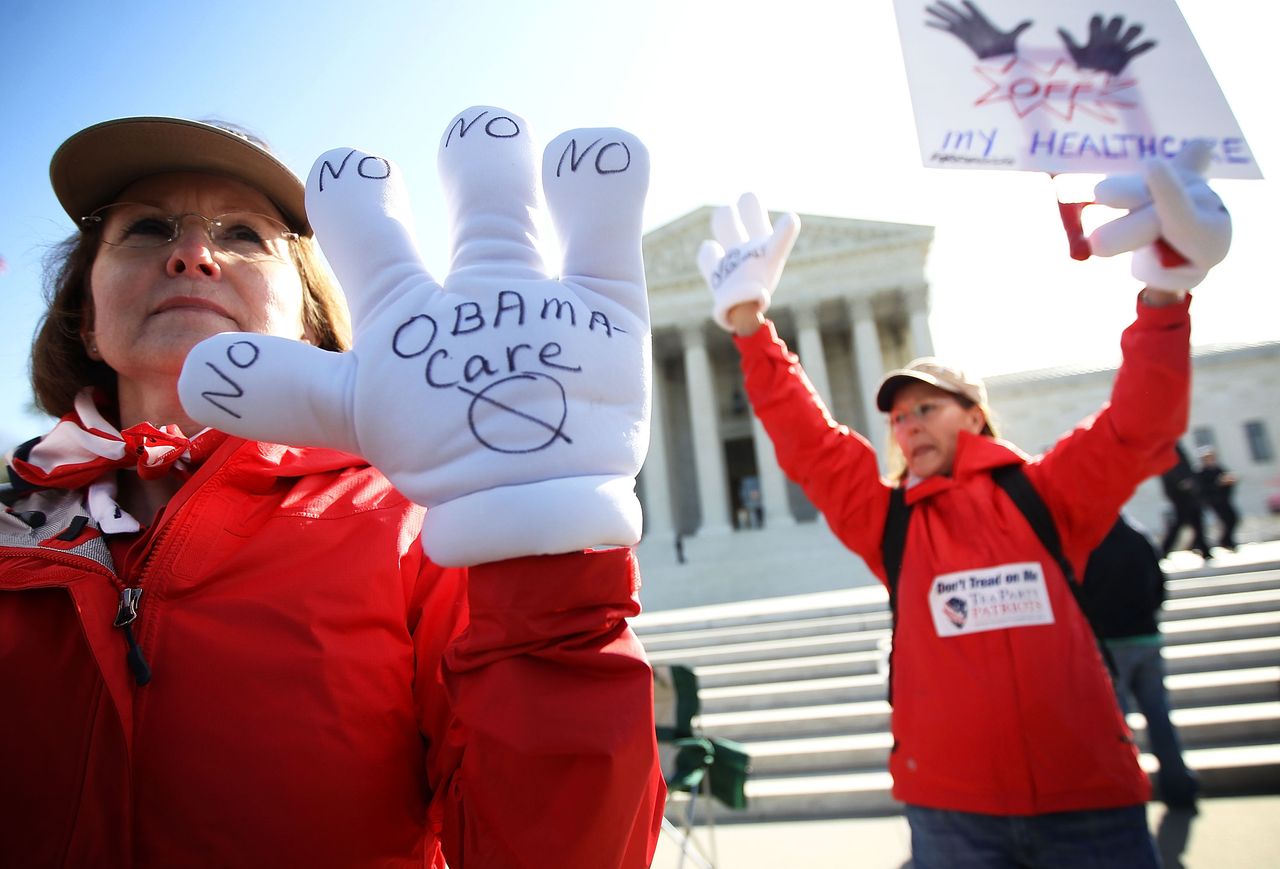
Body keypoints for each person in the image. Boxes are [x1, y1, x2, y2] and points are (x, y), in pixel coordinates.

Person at [0, 110, 664, 868]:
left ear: (312, 323)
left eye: (243, 234)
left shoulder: (423, 526)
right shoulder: (8, 527)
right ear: (86, 319)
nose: (192, 254)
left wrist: (545, 555)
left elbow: (558, 851)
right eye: (148, 229)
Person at [696, 139, 1230, 868]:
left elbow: (1141, 427)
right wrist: (752, 329)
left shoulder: (1047, 496)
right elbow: (811, 444)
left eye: (926, 407)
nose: (908, 424)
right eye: (898, 416)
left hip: (1089, 807)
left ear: (975, 415)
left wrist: (1166, 298)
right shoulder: (891, 523)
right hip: (952, 812)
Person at [1079, 515, 1201, 810]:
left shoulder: (1087, 542)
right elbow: (1159, 585)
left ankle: (1125, 790)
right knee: (1159, 714)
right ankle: (1179, 785)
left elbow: (1079, 593)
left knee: (1117, 725)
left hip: (1109, 643)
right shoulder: (1140, 535)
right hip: (1146, 637)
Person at [1160, 442, 1212, 559]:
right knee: (1180, 521)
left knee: (1196, 518)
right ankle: (1163, 550)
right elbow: (1172, 467)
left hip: (1187, 489)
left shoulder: (1171, 443)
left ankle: (1203, 548)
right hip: (1180, 491)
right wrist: (1183, 481)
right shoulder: (1166, 444)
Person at [1195, 446, 1240, 551]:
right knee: (1225, 520)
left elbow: (1227, 481)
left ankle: (1226, 541)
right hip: (1214, 500)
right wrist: (1218, 483)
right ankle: (1226, 542)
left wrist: (1229, 482)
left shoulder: (1218, 469)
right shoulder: (1201, 472)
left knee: (1233, 519)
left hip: (1224, 499)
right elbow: (1203, 488)